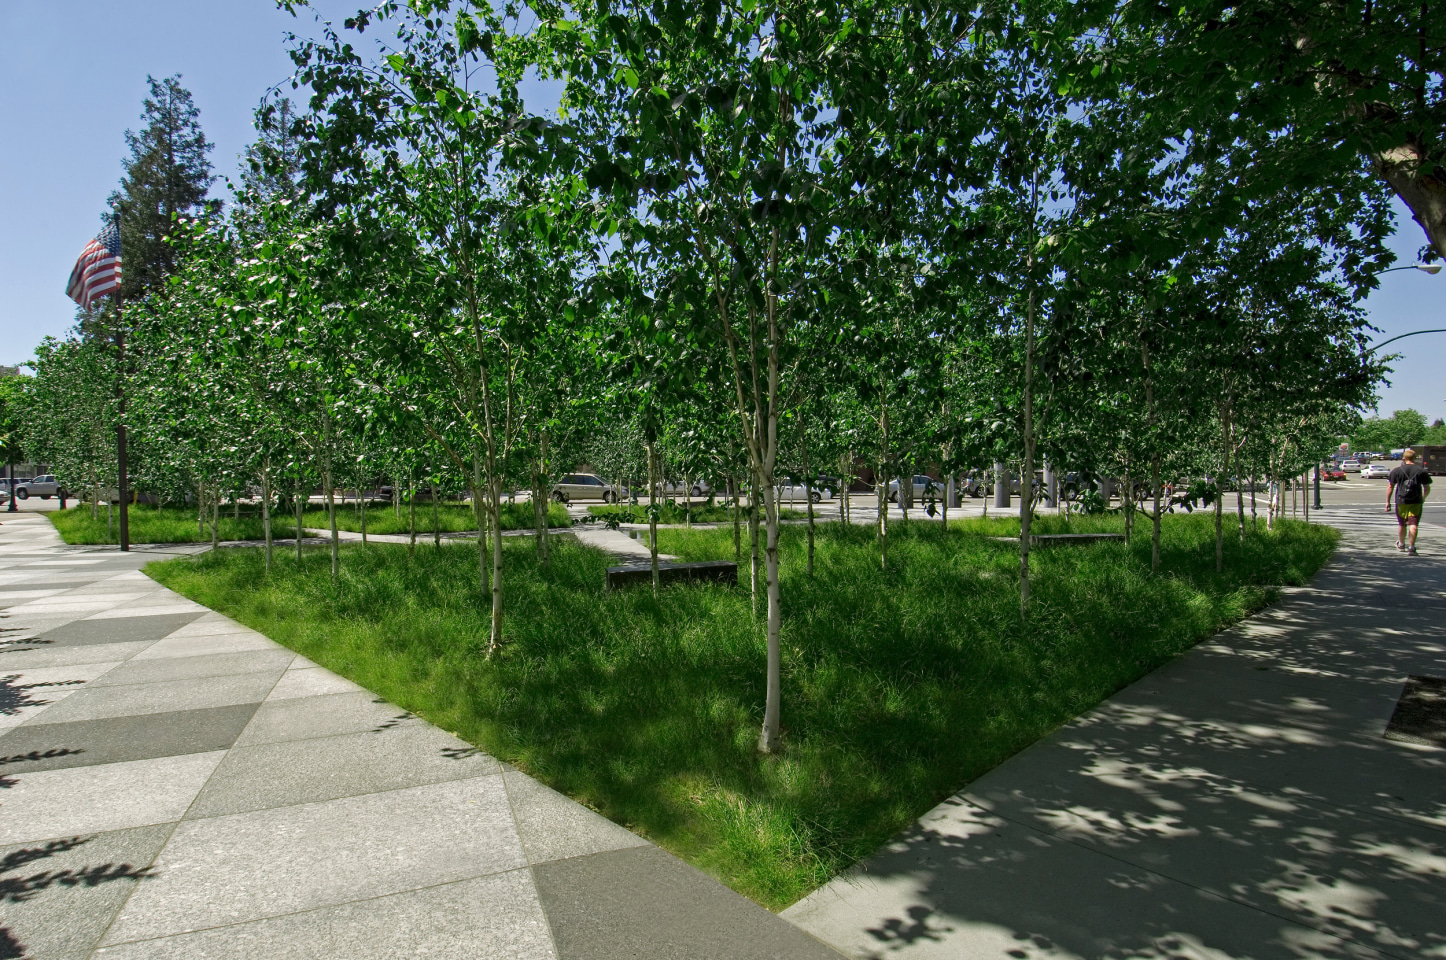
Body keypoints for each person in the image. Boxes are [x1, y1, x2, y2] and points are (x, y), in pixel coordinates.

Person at [1387, 448, 1432, 555]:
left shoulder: (1397, 470)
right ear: (1415, 458)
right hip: (1416, 501)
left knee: (1402, 524)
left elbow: (1390, 486)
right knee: (1414, 524)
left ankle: (1401, 544)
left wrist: (1387, 502)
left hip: (1401, 500)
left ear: (1404, 458)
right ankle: (1411, 547)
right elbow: (1427, 487)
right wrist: (1423, 497)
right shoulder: (1421, 471)